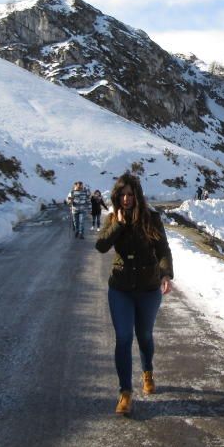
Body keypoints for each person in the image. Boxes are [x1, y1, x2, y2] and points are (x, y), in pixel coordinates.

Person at [94, 173, 174, 416]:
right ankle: (125, 392)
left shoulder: (151, 219)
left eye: (130, 194)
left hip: (148, 288)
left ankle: (147, 370)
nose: (126, 199)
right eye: (122, 195)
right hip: (120, 288)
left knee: (145, 335)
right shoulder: (112, 219)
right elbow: (101, 246)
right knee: (124, 337)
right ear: (117, 197)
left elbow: (163, 249)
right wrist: (117, 224)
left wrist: (166, 274)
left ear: (137, 196)